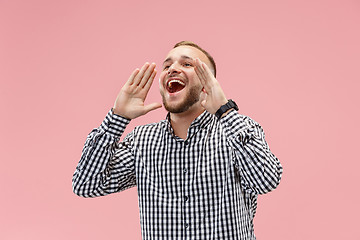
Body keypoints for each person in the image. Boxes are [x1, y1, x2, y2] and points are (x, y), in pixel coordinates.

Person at [72, 41, 283, 239]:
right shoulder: (142, 141)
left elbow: (266, 181)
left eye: (187, 63)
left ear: (207, 83)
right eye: (167, 66)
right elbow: (86, 185)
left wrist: (225, 111)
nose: (172, 68)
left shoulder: (236, 131)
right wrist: (117, 118)